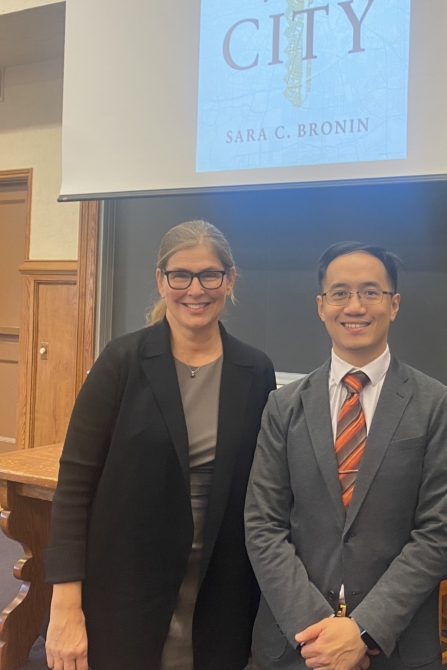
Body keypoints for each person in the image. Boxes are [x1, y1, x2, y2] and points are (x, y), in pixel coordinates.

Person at [43, 220, 276, 670]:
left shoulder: (256, 370)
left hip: (220, 586)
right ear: (160, 280)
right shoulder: (121, 362)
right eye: (180, 276)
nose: (196, 289)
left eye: (210, 275)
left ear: (229, 279)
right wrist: (65, 604)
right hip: (126, 582)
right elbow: (73, 488)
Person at [244, 242, 447, 670]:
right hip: (296, 645)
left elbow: (436, 532)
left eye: (370, 291)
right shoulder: (284, 407)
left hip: (393, 645)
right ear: (320, 305)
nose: (355, 306)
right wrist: (320, 631)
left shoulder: (434, 404)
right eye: (340, 293)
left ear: (394, 304)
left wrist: (363, 630)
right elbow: (263, 526)